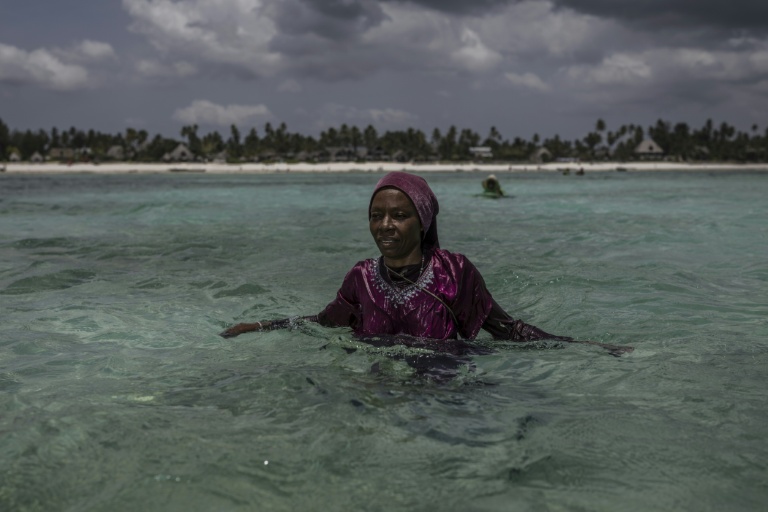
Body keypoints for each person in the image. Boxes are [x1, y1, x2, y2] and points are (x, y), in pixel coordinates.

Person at [221, 172, 631, 356]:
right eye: (376, 214)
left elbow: (507, 330)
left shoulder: (456, 273)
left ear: (423, 220)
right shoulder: (360, 278)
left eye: (398, 215)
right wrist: (259, 326)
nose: (385, 225)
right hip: (378, 391)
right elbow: (324, 321)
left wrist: (585, 348)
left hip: (447, 391)